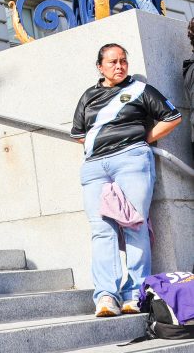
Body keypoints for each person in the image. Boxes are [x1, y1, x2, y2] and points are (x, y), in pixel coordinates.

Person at [71, 43, 181, 317]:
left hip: (132, 160)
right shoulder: (88, 96)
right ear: (100, 67)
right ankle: (106, 296)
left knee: (135, 224)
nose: (119, 66)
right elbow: (79, 133)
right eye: (112, 62)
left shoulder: (141, 90)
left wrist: (141, 139)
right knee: (101, 229)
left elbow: (172, 117)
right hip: (95, 167)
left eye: (123, 61)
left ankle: (134, 294)